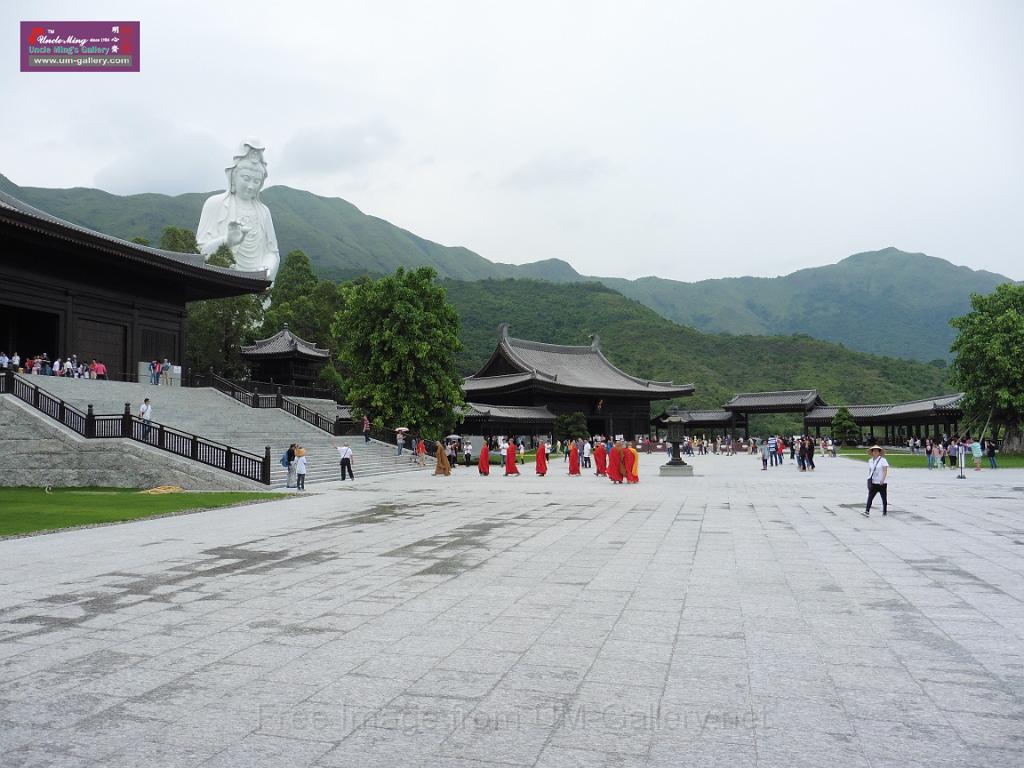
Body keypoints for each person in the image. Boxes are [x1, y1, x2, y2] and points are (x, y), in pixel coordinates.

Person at [196, 139, 281, 282]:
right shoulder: (215, 204)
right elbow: (200, 252)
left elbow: (272, 253)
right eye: (246, 178)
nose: (251, 186)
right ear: (233, 176)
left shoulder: (263, 212)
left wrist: (266, 269)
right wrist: (226, 241)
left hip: (256, 285)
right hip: (221, 285)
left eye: (256, 181)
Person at [865, 445, 889, 517]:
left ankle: (885, 511)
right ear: (872, 452)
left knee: (883, 498)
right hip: (874, 482)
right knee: (870, 497)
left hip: (882, 483)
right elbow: (870, 470)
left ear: (879, 452)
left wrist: (883, 479)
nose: (875, 452)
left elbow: (885, 470)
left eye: (877, 451)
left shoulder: (883, 460)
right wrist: (869, 478)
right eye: (874, 451)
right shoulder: (870, 461)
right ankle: (867, 511)